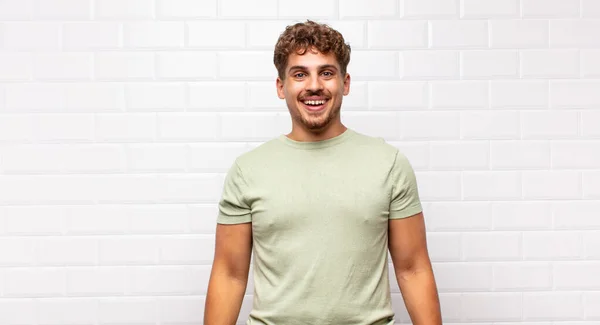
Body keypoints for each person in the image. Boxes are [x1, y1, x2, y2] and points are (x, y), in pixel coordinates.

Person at [204, 20, 442, 325]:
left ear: (345, 83)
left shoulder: (389, 164)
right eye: (300, 74)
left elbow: (413, 269)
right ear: (281, 86)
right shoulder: (247, 171)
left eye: (326, 73)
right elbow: (230, 274)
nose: (314, 85)